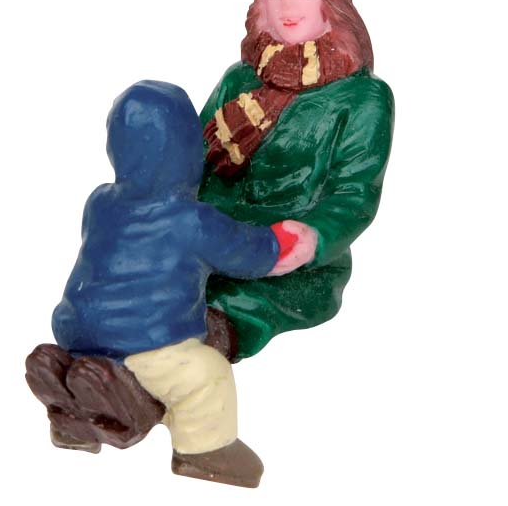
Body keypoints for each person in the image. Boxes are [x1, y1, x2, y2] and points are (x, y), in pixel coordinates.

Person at [50, 80, 316, 487]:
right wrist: (280, 244)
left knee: (115, 365)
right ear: (190, 151)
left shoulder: (99, 202)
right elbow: (246, 253)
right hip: (148, 341)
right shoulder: (192, 219)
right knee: (206, 374)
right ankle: (203, 450)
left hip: (75, 330)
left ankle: (75, 402)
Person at [199, 0, 395, 359]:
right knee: (150, 282)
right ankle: (86, 364)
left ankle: (147, 380)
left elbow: (354, 194)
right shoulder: (239, 81)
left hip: (290, 263)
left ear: (332, 0)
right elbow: (195, 162)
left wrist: (311, 237)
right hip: (211, 242)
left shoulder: (363, 97)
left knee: (219, 312)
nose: (288, 5)